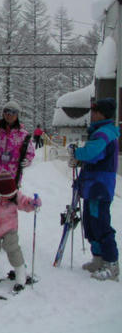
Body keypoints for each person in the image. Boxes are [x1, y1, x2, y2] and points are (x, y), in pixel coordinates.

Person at [68, 98, 120, 281]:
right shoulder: (99, 132)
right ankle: (98, 258)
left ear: (103, 113)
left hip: (100, 186)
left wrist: (76, 153)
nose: (93, 114)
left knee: (100, 223)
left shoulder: (104, 133)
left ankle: (111, 263)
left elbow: (92, 153)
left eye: (95, 111)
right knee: (90, 223)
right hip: (92, 185)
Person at [0, 171, 42, 292]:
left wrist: (32, 203)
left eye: (11, 195)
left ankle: (21, 275)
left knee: (13, 248)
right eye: (7, 196)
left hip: (10, 228)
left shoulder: (15, 194)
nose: (9, 197)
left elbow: (24, 202)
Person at [0, 101, 35, 186]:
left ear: (17, 115)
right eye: (6, 111)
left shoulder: (23, 134)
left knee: (11, 198)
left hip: (13, 175)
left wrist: (27, 160)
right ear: (3, 113)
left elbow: (30, 153)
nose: (9, 115)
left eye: (13, 112)